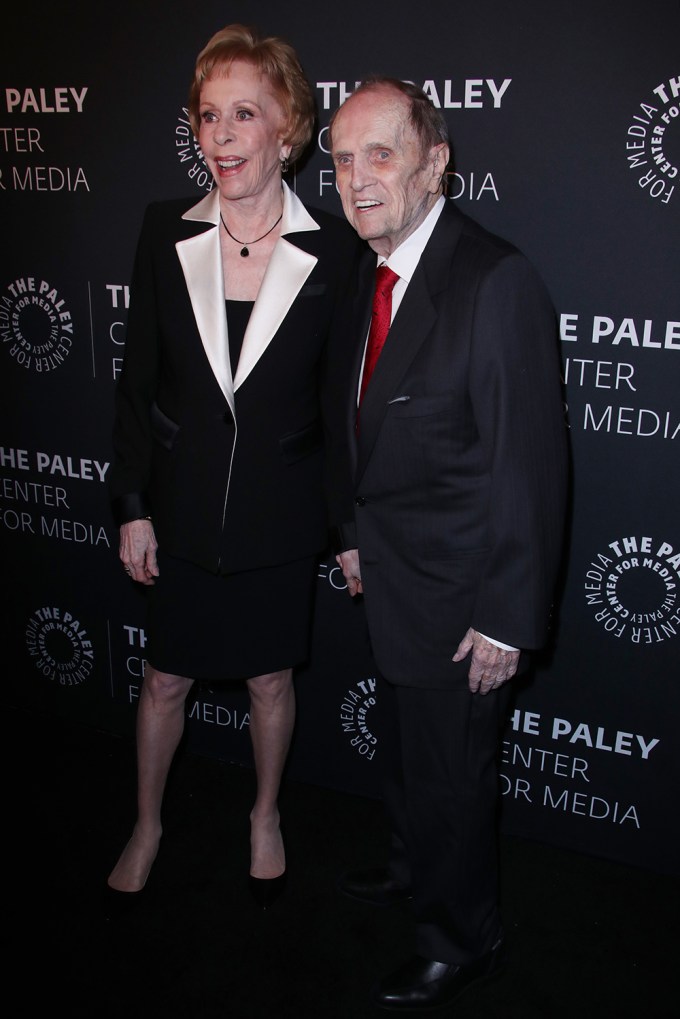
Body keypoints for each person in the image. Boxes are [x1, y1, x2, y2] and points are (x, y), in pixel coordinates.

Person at [106, 24, 360, 909]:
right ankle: (146, 822)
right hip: (176, 509)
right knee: (164, 676)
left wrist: (347, 527)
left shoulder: (335, 250)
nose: (220, 135)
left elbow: (339, 407)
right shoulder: (161, 231)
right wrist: (132, 504)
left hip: (280, 514)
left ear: (286, 127)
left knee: (268, 678)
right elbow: (136, 380)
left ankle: (263, 813)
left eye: (243, 114)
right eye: (209, 115)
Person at [327, 78, 568, 1009]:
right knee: (405, 763)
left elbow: (529, 467)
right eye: (343, 160)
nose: (356, 178)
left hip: (464, 603)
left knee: (452, 782)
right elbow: (357, 421)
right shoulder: (371, 268)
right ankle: (411, 866)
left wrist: (506, 617)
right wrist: (349, 533)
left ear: (436, 164)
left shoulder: (493, 280)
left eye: (380, 154)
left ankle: (462, 936)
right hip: (389, 581)